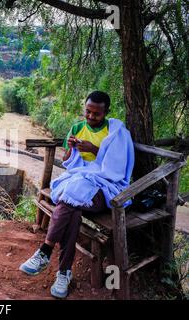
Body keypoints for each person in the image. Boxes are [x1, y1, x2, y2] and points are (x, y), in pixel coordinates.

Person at [19, 91, 135, 299]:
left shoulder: (115, 132)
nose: (90, 117)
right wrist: (73, 149)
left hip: (104, 187)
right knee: (71, 209)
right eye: (88, 112)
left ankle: (45, 251)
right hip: (80, 181)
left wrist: (94, 149)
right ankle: (63, 273)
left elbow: (117, 167)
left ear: (106, 112)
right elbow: (68, 161)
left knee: (69, 198)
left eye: (96, 114)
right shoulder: (77, 128)